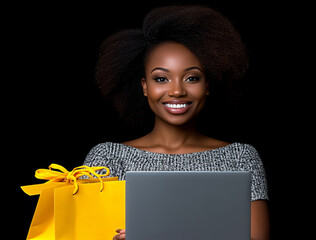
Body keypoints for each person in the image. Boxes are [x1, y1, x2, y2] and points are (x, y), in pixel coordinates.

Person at [83, 5, 270, 240]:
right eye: (161, 78)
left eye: (192, 78)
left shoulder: (240, 158)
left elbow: (257, 238)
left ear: (207, 85)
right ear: (144, 86)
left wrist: (158, 233)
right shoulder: (108, 159)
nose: (177, 91)